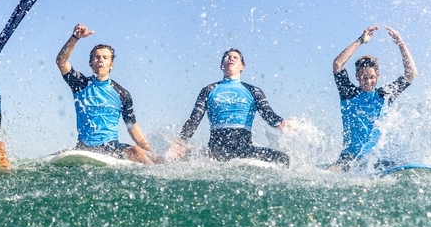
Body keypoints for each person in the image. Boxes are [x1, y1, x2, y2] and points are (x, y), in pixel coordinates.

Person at [168, 49, 294, 165]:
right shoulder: (208, 90)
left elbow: (267, 113)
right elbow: (194, 119)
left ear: (242, 67)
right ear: (222, 66)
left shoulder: (254, 91)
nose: (231, 58)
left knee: (283, 159)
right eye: (227, 57)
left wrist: (281, 123)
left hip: (244, 150)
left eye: (235, 57)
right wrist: (181, 143)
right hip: (216, 150)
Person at [55, 23, 156, 164]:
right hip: (84, 146)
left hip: (111, 147)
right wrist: (75, 38)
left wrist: (151, 153)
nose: (100, 60)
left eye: (105, 57)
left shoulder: (122, 94)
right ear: (90, 63)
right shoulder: (80, 84)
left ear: (111, 64)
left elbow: (131, 126)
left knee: (137, 152)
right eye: (96, 57)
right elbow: (61, 61)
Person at [329, 26, 417, 172]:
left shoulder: (385, 95)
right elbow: (337, 64)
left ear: (378, 76)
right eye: (364, 78)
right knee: (331, 173)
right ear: (357, 77)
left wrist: (401, 43)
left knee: (404, 168)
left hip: (373, 159)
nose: (368, 82)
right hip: (350, 157)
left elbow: (411, 74)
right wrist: (361, 40)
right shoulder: (348, 93)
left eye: (371, 77)